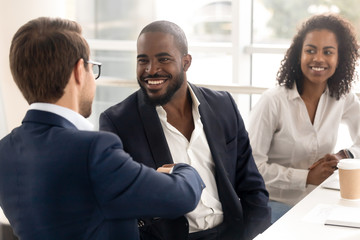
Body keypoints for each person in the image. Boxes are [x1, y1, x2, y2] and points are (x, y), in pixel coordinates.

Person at [0, 17, 206, 240]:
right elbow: (180, 197)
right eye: (91, 68)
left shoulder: (5, 151)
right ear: (80, 71)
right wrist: (184, 170)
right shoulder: (93, 150)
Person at [99, 20, 271, 240]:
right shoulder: (117, 122)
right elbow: (119, 205)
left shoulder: (223, 106)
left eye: (164, 59)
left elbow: (253, 189)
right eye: (143, 60)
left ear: (186, 62)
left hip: (232, 233)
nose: (151, 70)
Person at [247, 14, 360, 223]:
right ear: (298, 55)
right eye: (310, 50)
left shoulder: (341, 98)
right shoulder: (273, 101)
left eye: (328, 52)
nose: (318, 58)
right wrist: (305, 177)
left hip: (317, 202)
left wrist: (346, 155)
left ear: (340, 58)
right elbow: (251, 168)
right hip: (271, 204)